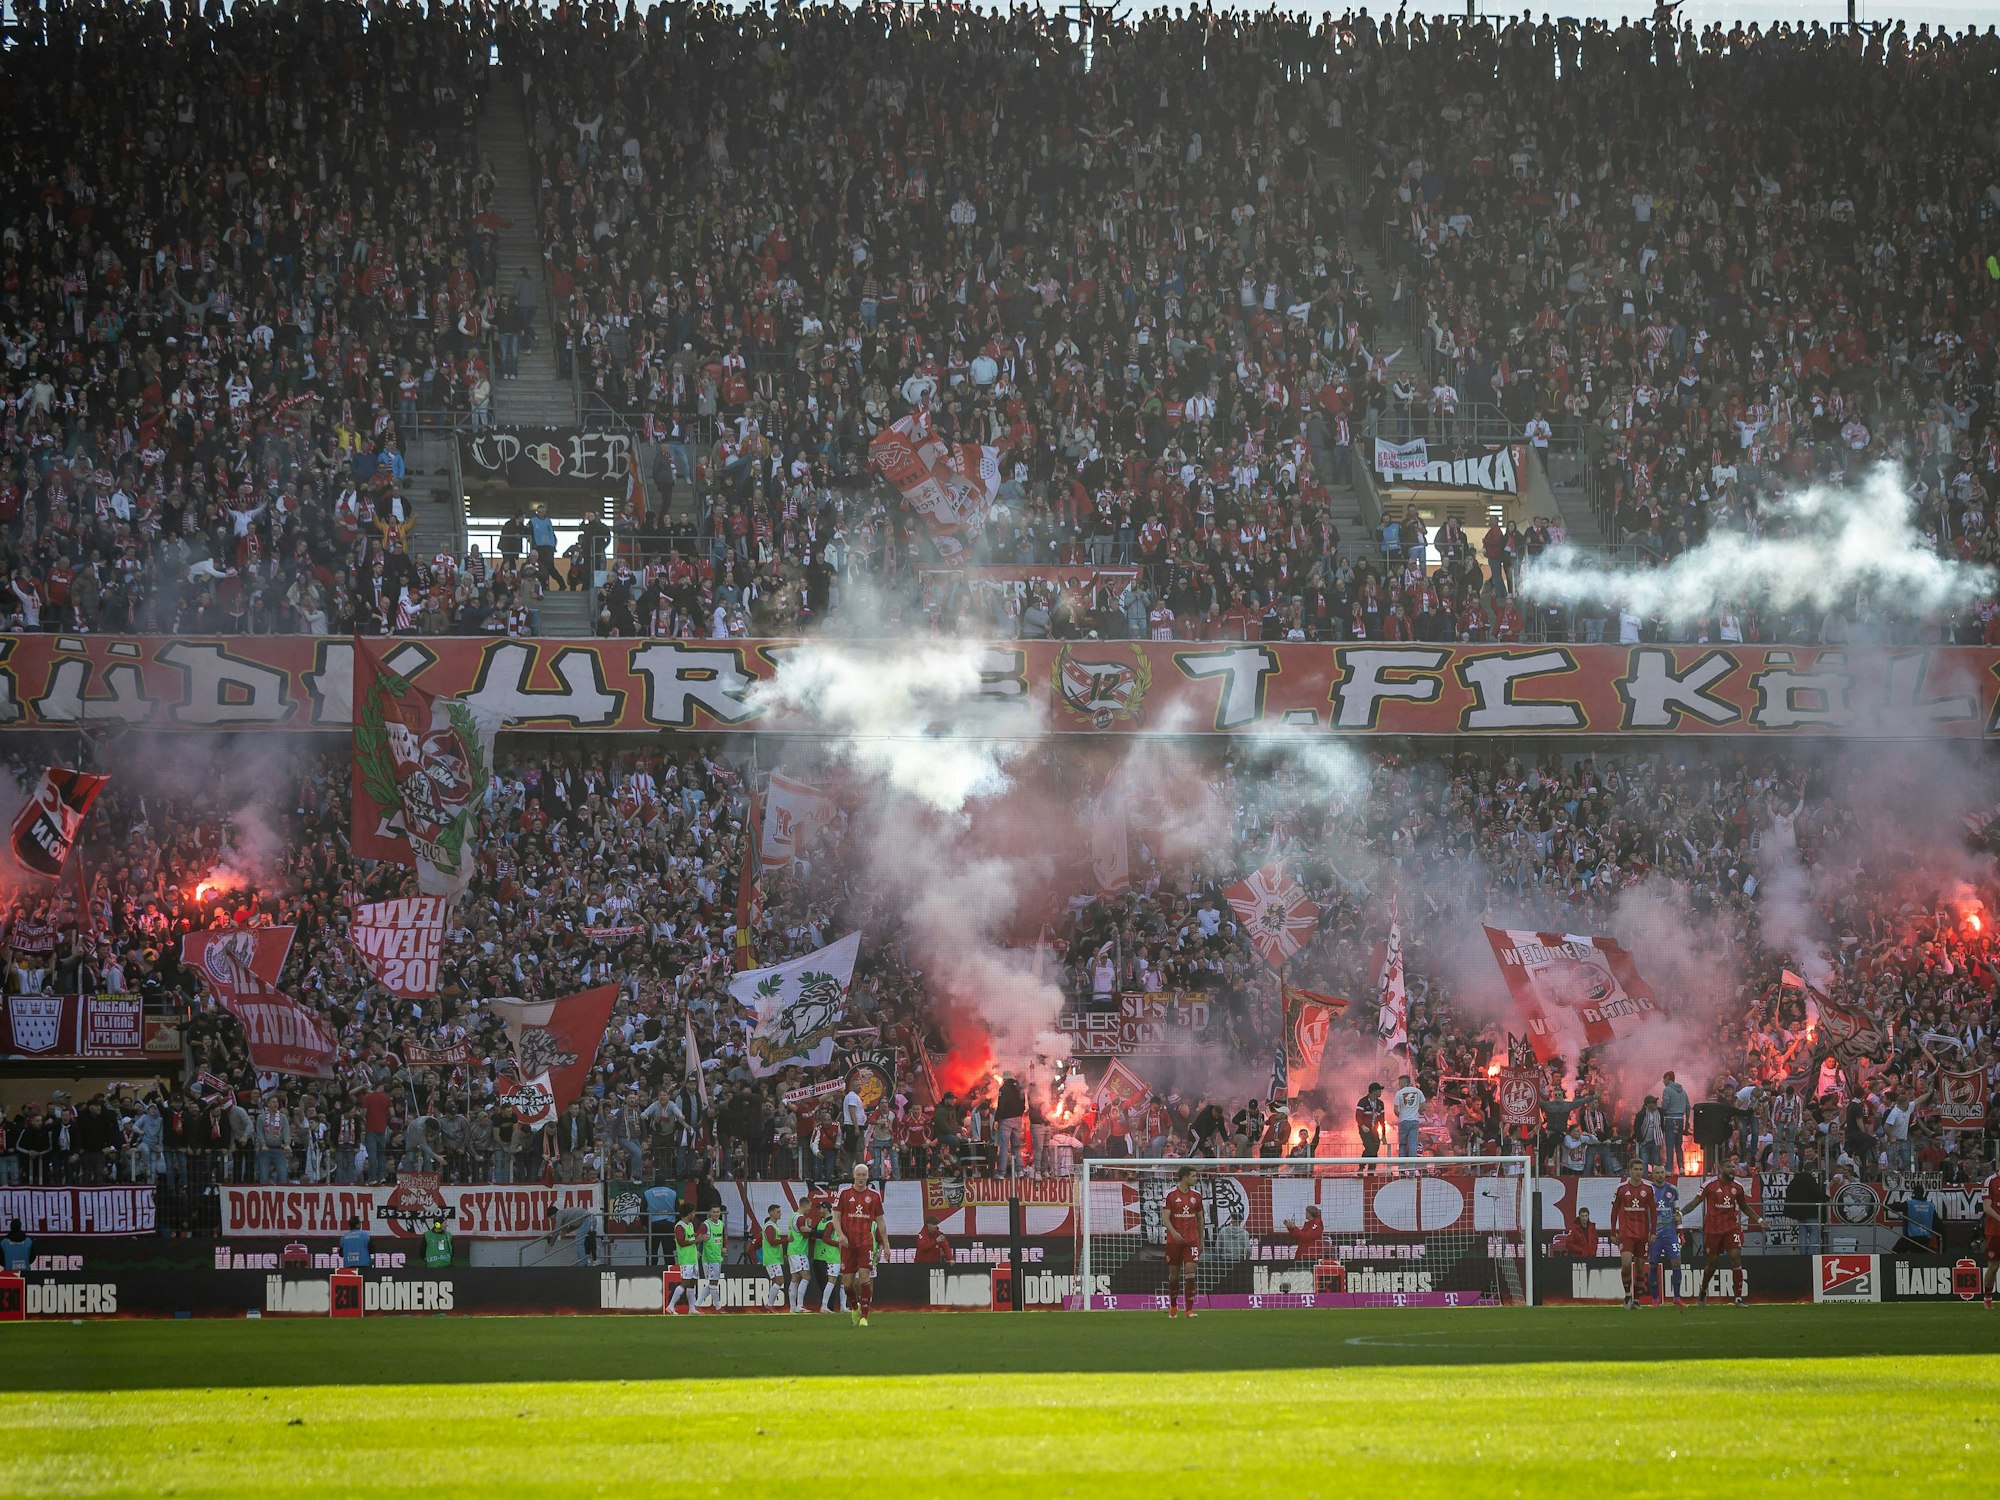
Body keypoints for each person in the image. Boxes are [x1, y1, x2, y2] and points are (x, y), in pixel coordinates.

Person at [1685, 1159, 1764, 1306]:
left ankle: (1738, 1298)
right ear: (1720, 1169)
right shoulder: (1709, 1185)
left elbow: (1745, 1207)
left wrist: (1760, 1220)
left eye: (1733, 1167)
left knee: (1735, 1257)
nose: (1732, 1170)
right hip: (1713, 1230)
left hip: (1731, 1228)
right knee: (1712, 1264)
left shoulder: (1738, 1187)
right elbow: (1695, 1202)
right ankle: (1703, 1290)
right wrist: (1681, 1213)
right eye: (1728, 1167)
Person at [834, 1161, 887, 1326]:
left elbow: (880, 1223)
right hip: (847, 1244)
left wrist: (886, 1244)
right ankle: (854, 1307)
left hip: (865, 1242)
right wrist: (841, 1235)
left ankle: (864, 1316)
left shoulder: (874, 1196)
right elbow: (835, 1218)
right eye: (859, 1174)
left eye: (864, 1175)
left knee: (865, 1277)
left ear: (868, 1177)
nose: (861, 1178)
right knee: (847, 1283)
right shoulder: (843, 1194)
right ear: (853, 1176)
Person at [1609, 1158, 1656, 1310]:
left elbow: (1653, 1212)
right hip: (1626, 1233)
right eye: (1635, 1169)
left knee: (1641, 1268)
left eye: (1640, 1169)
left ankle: (1637, 1300)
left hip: (1642, 1234)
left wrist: (1653, 1231)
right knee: (1627, 1264)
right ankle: (1628, 1295)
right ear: (1629, 1171)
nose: (1638, 1172)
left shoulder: (1649, 1189)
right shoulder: (1621, 1188)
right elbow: (1614, 1210)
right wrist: (1613, 1231)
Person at [1163, 1164, 1204, 1318]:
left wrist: (1201, 1240)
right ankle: (1173, 1307)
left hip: (1191, 1241)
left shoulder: (1197, 1196)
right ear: (1185, 1177)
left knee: (1190, 1272)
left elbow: (1200, 1219)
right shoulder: (1170, 1194)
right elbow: (1165, 1217)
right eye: (1193, 1176)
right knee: (1174, 1275)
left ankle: (1189, 1310)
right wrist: (1173, 1232)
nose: (1196, 1178)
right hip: (1174, 1242)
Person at [1649, 1167, 1686, 1308]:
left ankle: (1676, 1298)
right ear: (1652, 1175)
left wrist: (1680, 1232)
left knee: (1676, 1263)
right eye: (1657, 1173)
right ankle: (1654, 1300)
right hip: (1654, 1235)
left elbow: (1677, 1213)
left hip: (1670, 1234)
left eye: (1662, 1172)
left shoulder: (1673, 1190)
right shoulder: (1648, 1190)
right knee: (1652, 1265)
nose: (1660, 1175)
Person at [666, 1203, 700, 1314]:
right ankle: (670, 1306)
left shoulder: (690, 1225)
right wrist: (697, 1240)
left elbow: (690, 1238)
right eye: (693, 1212)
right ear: (689, 1213)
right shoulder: (679, 1226)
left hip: (693, 1258)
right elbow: (681, 1242)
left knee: (692, 1282)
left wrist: (697, 1237)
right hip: (685, 1259)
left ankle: (691, 1309)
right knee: (685, 1282)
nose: (694, 1214)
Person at [756, 1204, 788, 1310]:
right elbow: (772, 1241)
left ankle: (770, 1305)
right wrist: (787, 1240)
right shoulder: (769, 1226)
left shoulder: (774, 1225)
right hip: (772, 1258)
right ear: (771, 1213)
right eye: (778, 1212)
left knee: (776, 1281)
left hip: (774, 1258)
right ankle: (769, 1305)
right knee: (780, 1280)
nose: (780, 1213)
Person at [785, 1201, 815, 1313]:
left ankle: (792, 1308)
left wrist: (807, 1226)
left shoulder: (793, 1216)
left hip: (792, 1250)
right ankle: (800, 1305)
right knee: (806, 1276)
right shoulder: (800, 1218)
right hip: (799, 1251)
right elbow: (804, 1233)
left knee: (795, 1278)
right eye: (810, 1206)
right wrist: (810, 1229)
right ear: (805, 1205)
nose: (810, 1209)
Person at [1660, 1071, 1691, 1174]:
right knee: (1678, 1145)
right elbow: (1688, 1107)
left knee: (1669, 1145)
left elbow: (1665, 1103)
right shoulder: (1683, 1091)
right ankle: (1681, 1167)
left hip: (1670, 1119)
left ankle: (1669, 1169)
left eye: (1664, 1079)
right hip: (1680, 1120)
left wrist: (1662, 1112)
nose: (1663, 1082)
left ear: (1668, 1078)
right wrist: (1687, 1121)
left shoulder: (1667, 1090)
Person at [698, 1204, 728, 1309]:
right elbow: (699, 1239)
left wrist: (724, 1247)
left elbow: (723, 1236)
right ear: (710, 1213)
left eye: (718, 1212)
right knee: (714, 1283)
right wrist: (699, 1251)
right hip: (709, 1258)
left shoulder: (721, 1224)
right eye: (714, 1212)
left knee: (712, 1282)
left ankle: (697, 1304)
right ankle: (718, 1307)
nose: (716, 1214)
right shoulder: (705, 1225)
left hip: (717, 1257)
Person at [1392, 1074, 1426, 1161]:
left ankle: (1402, 1169)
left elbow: (1395, 1110)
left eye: (1400, 1083)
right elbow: (1423, 1107)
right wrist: (1415, 1112)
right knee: (1413, 1144)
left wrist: (1402, 1116)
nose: (1399, 1085)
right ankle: (1412, 1170)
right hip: (1414, 1121)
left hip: (1403, 1121)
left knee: (1402, 1144)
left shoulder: (1399, 1093)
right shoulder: (1418, 1092)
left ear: (1404, 1082)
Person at [1981, 1161, 2000, 1310]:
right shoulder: (1990, 1181)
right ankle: (1987, 1297)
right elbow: (1987, 1207)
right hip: (1995, 1231)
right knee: (1993, 1267)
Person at [1355, 1082, 1386, 1170]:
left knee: (1375, 1149)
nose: (1381, 1092)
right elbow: (1358, 1116)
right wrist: (1362, 1126)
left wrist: (1383, 1135)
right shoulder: (1363, 1102)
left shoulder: (1380, 1103)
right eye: (1380, 1090)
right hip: (1365, 1130)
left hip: (1374, 1130)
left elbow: (1382, 1120)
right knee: (1369, 1148)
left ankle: (1371, 1170)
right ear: (1374, 1091)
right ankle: (1361, 1167)